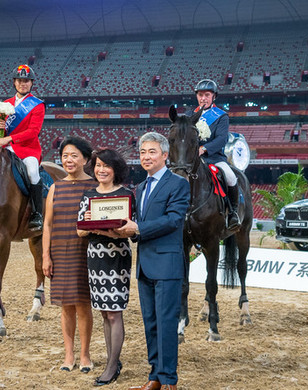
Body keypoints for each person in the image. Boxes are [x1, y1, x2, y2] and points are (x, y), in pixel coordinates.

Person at [115, 132, 190, 390]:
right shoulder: (140, 187)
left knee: (167, 323)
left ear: (165, 155)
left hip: (167, 265)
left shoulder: (178, 184)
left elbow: (173, 220)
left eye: (152, 152)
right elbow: (137, 223)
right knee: (151, 322)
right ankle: (155, 377)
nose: (146, 157)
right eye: (143, 152)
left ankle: (170, 380)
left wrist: (138, 228)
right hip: (145, 264)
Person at [76, 149, 135, 386]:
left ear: (115, 169)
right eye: (98, 165)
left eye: (107, 166)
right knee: (103, 311)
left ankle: (111, 367)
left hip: (117, 257)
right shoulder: (88, 195)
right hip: (96, 257)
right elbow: (80, 230)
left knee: (114, 312)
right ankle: (114, 359)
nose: (102, 170)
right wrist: (92, 222)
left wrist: (98, 228)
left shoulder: (126, 194)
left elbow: (128, 231)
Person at [42, 136, 96, 374]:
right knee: (66, 306)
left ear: (85, 158)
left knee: (83, 305)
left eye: (74, 155)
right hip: (59, 252)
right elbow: (47, 225)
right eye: (65, 156)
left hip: (85, 253)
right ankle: (68, 355)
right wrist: (46, 256)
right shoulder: (55, 187)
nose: (69, 160)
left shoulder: (95, 186)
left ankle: (85, 355)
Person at [0, 64, 45, 230]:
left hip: (28, 149)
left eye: (27, 81)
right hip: (8, 147)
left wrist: (8, 138)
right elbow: (4, 132)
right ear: (14, 82)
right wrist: (0, 128)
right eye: (20, 81)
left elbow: (33, 132)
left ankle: (37, 214)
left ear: (31, 83)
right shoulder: (6, 104)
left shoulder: (37, 105)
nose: (23, 84)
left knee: (32, 172)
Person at [185, 79, 240, 231]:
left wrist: (204, 149)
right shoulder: (189, 115)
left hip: (213, 158)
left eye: (207, 95)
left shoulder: (222, 116)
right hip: (192, 159)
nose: (203, 98)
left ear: (213, 96)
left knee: (230, 176)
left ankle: (233, 212)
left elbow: (222, 139)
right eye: (200, 95)